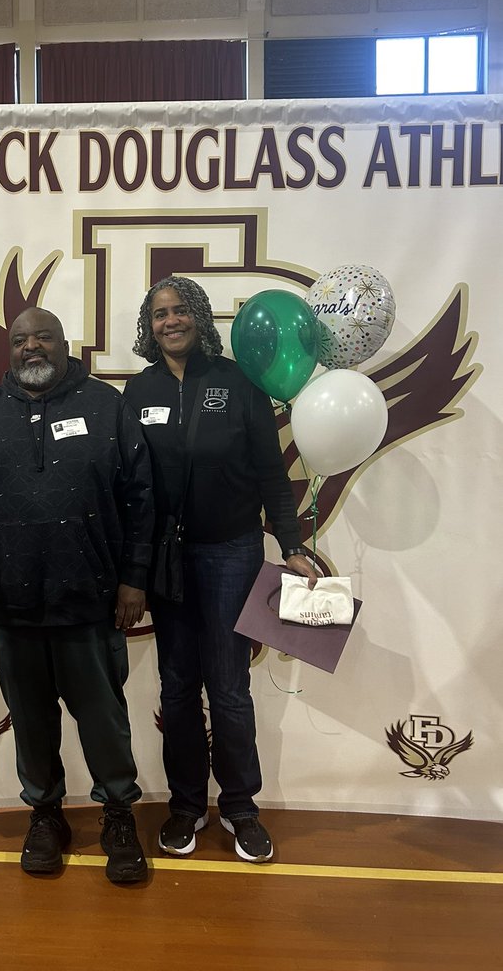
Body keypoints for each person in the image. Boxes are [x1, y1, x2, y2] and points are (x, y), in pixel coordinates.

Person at [123, 276, 317, 865]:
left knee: (229, 689)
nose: (170, 321)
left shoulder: (238, 383)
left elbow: (270, 473)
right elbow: (131, 483)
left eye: (181, 310)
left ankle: (240, 807)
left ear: (201, 318)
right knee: (178, 687)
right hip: (168, 560)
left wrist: (291, 543)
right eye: (159, 313)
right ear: (149, 325)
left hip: (232, 552)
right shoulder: (139, 389)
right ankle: (186, 805)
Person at [0, 307, 154, 884]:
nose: (31, 347)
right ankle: (46, 816)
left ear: (63, 344)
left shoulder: (106, 405)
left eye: (43, 337)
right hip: (11, 603)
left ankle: (118, 815)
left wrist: (134, 579)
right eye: (20, 340)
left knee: (103, 721)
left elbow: (142, 497)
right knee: (30, 723)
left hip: (89, 600)